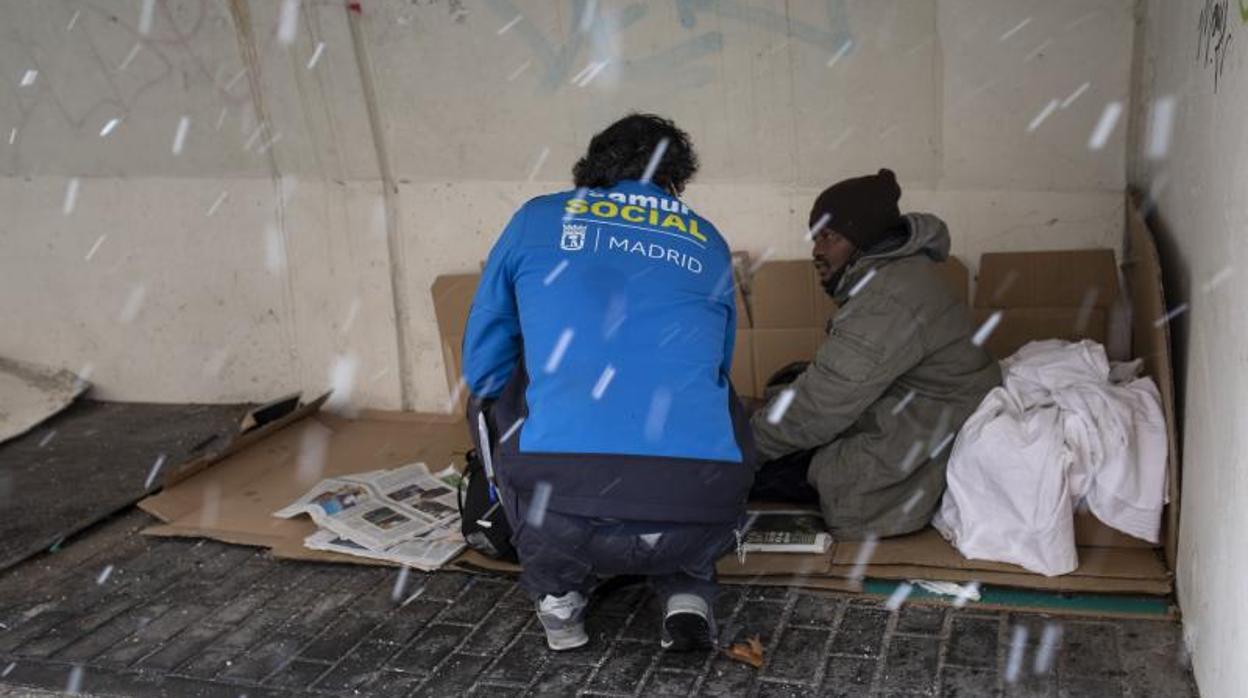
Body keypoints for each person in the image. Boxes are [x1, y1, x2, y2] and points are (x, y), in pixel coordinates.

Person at [462, 114, 754, 652]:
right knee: (717, 394)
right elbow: (717, 363)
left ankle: (558, 599)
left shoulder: (538, 218)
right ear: (674, 181)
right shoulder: (707, 238)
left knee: (500, 385)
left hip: (564, 512)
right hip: (698, 508)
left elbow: (483, 362)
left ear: (591, 171)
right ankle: (688, 590)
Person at [749, 168, 1000, 540]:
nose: (817, 251)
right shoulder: (900, 276)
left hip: (903, 453)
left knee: (730, 470)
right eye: (816, 238)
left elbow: (822, 406)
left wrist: (741, 449)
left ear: (862, 238)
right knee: (789, 383)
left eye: (828, 237)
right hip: (917, 417)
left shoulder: (890, 298)